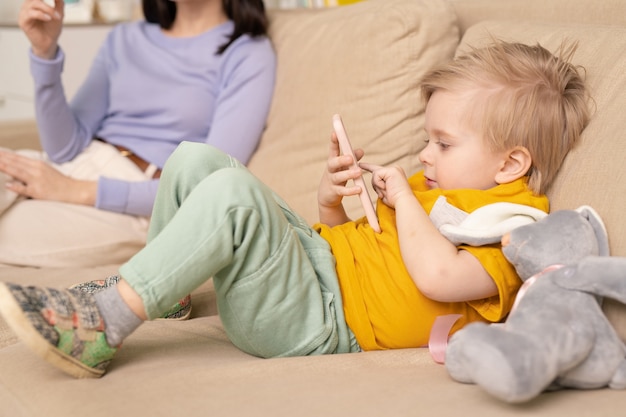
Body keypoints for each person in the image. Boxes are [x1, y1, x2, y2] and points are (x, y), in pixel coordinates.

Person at [0, 40, 591, 378]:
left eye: (442, 143)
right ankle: (168, 286)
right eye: (427, 139)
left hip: (319, 321)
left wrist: (406, 200)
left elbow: (438, 278)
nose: (423, 153)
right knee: (195, 159)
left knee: (233, 198)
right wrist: (331, 204)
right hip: (313, 266)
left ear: (511, 164)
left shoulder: (515, 227)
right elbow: (356, 244)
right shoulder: (437, 187)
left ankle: (105, 321)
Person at [0, 0, 276, 268]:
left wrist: (75, 191)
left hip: (144, 200)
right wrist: (44, 53)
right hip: (73, 164)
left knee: (13, 230)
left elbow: (208, 183)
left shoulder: (247, 52)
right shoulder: (125, 37)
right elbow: (63, 148)